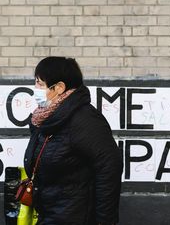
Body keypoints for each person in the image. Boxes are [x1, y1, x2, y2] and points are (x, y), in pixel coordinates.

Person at [23, 57, 123, 225]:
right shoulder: (46, 118)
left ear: (59, 88)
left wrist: (105, 221)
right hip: (50, 214)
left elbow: (109, 167)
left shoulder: (84, 120)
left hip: (75, 217)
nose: (36, 89)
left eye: (40, 84)